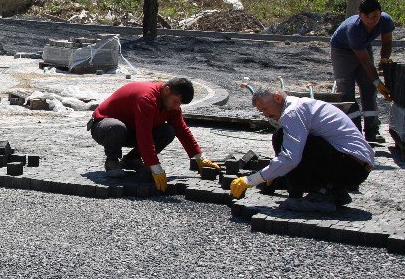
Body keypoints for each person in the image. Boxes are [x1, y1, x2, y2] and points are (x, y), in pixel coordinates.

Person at [230, 87, 374, 213]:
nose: (266, 115)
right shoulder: (301, 105)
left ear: (277, 98)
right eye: (262, 112)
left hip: (352, 168)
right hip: (355, 167)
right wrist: (274, 172)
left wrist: (251, 180)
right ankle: (335, 192)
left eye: (265, 109)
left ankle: (320, 196)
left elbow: (290, 158)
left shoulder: (292, 112)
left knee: (289, 142)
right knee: (282, 136)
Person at [88, 77, 220, 192]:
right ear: (167, 90)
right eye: (176, 102)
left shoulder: (170, 103)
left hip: (130, 129)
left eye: (179, 104)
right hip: (103, 126)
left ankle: (131, 160)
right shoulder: (146, 98)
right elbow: (144, 135)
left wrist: (199, 158)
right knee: (116, 128)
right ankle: (112, 161)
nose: (176, 106)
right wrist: (156, 168)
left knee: (168, 131)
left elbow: (182, 130)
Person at [329, 0, 394, 142]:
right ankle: (354, 133)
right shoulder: (354, 29)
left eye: (375, 16)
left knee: (369, 90)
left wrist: (384, 58)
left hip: (363, 47)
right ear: (360, 15)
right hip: (342, 52)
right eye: (367, 17)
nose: (372, 21)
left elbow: (387, 42)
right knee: (346, 93)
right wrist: (380, 85)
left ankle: (372, 131)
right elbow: (366, 63)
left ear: (380, 13)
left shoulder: (385, 21)